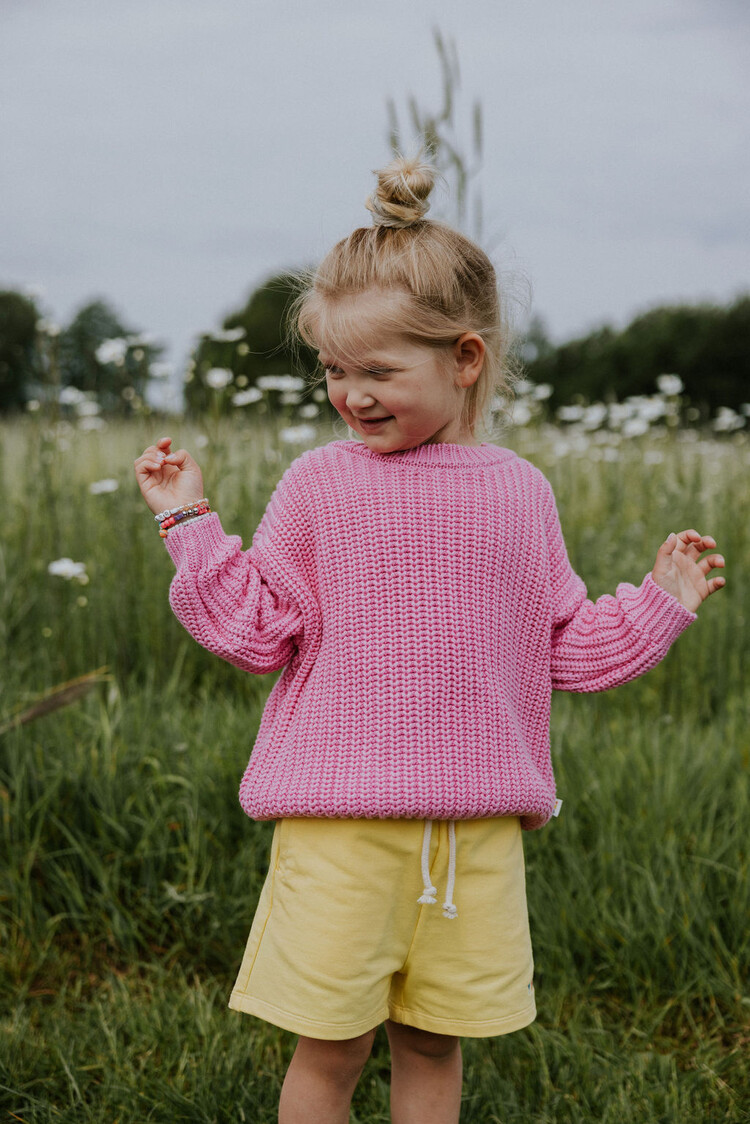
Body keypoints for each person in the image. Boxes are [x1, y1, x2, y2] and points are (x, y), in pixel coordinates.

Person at [134, 155, 726, 1124]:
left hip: (474, 838)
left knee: (434, 1043)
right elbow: (254, 629)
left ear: (465, 357)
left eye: (378, 370)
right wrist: (188, 518)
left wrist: (660, 600)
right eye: (333, 369)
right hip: (340, 833)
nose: (351, 393)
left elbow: (564, 647)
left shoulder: (519, 492)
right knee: (329, 1048)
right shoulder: (320, 488)